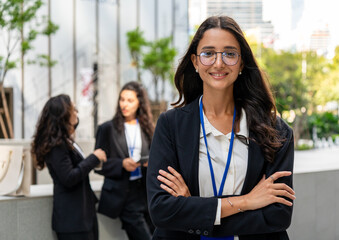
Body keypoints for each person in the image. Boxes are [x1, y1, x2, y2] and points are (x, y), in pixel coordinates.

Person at [147, 16, 295, 240]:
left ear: (242, 62)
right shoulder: (171, 125)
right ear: (196, 62)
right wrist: (246, 202)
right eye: (208, 53)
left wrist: (191, 208)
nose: (218, 63)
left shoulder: (276, 131)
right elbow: (161, 210)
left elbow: (277, 216)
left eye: (229, 53)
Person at [31, 94, 107, 240]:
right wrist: (93, 158)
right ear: (63, 115)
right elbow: (69, 177)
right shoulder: (57, 146)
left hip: (83, 217)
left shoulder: (66, 141)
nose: (76, 112)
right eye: (73, 109)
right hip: (72, 221)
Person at [95, 81, 154, 240]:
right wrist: (121, 164)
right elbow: (98, 165)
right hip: (123, 194)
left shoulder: (148, 128)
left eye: (130, 100)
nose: (124, 104)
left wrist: (150, 163)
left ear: (139, 103)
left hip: (146, 193)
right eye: (122, 99)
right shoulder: (107, 128)